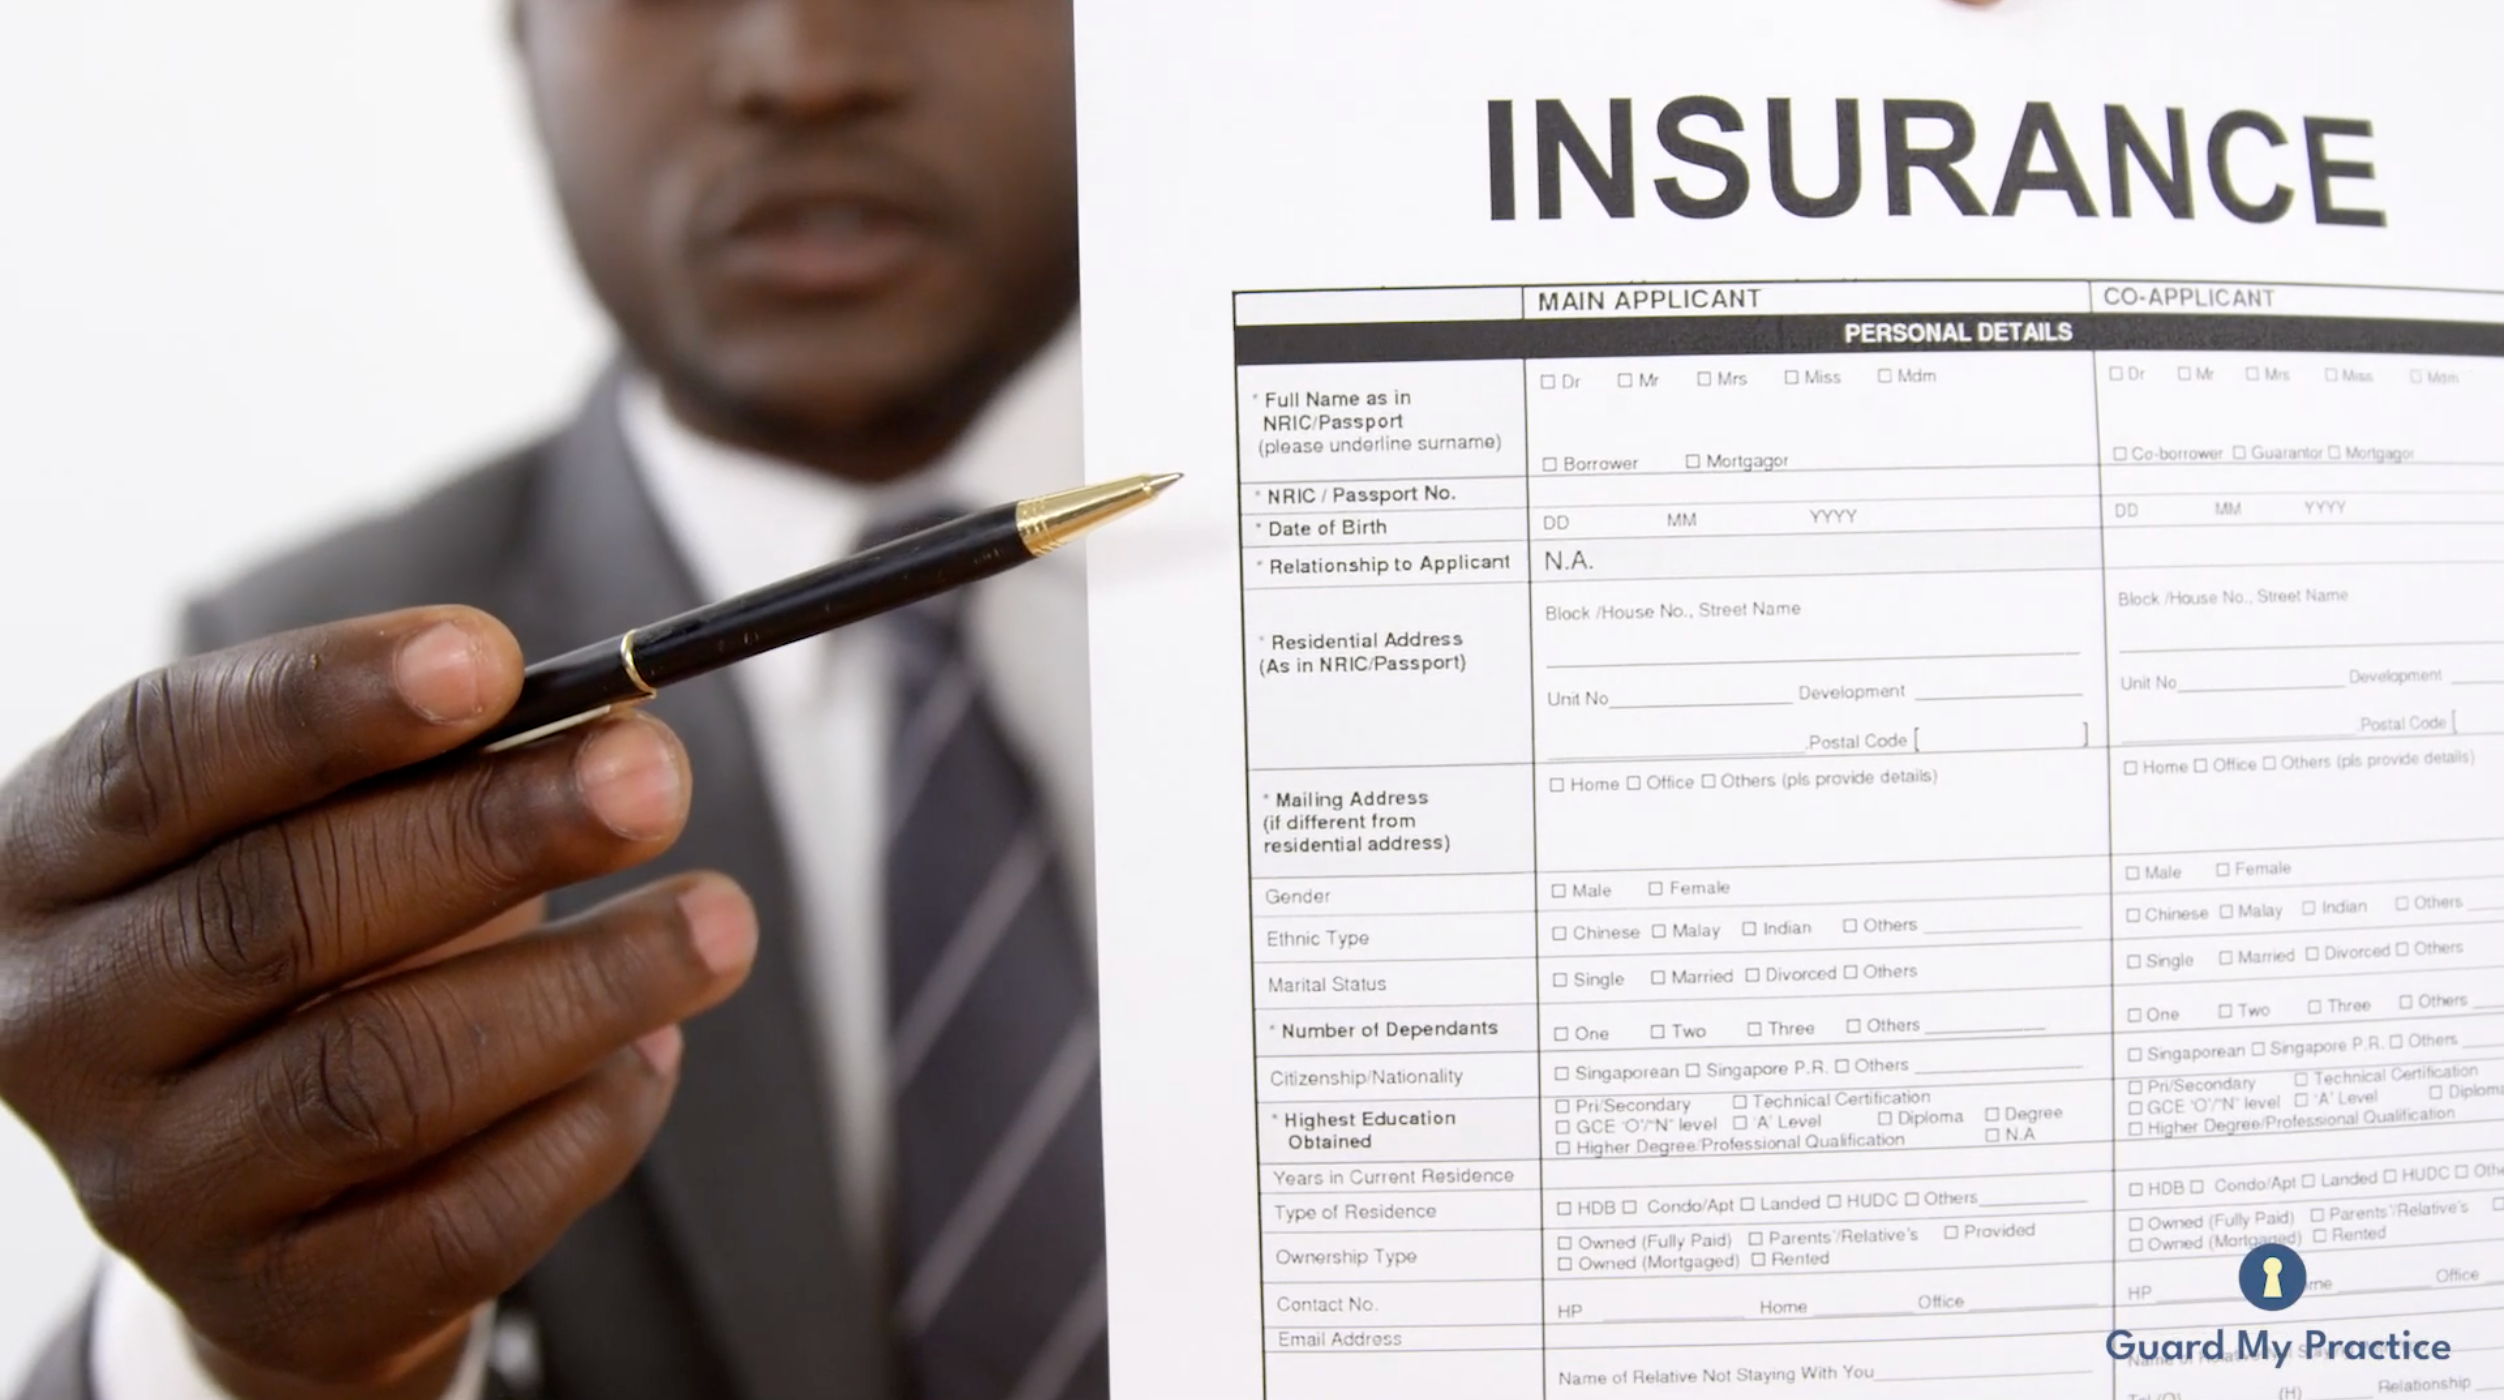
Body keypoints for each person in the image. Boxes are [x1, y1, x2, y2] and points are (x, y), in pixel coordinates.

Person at [0, 1, 2004, 1398]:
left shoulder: (1586, 528)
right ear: (517, 42)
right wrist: (253, 1365)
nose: (806, 63)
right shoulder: (321, 694)